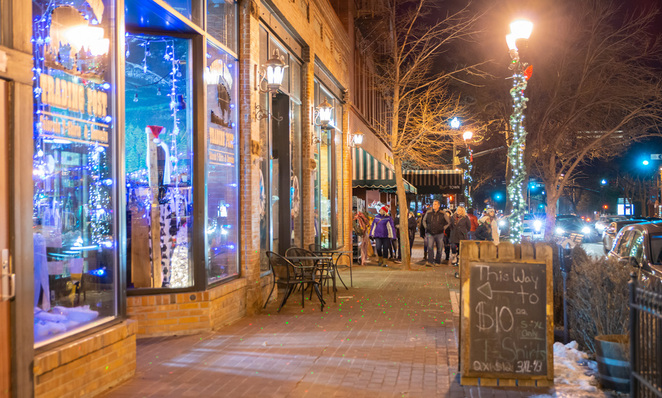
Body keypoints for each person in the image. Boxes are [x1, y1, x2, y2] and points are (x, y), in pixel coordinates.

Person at [422, 200, 450, 266]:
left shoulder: (442, 213)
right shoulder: (428, 213)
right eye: (433, 204)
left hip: (439, 233)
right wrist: (426, 227)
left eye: (435, 204)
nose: (434, 205)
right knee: (430, 247)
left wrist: (443, 228)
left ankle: (437, 261)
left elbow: (448, 222)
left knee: (439, 248)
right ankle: (430, 261)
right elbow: (424, 220)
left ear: (438, 205)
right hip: (430, 233)